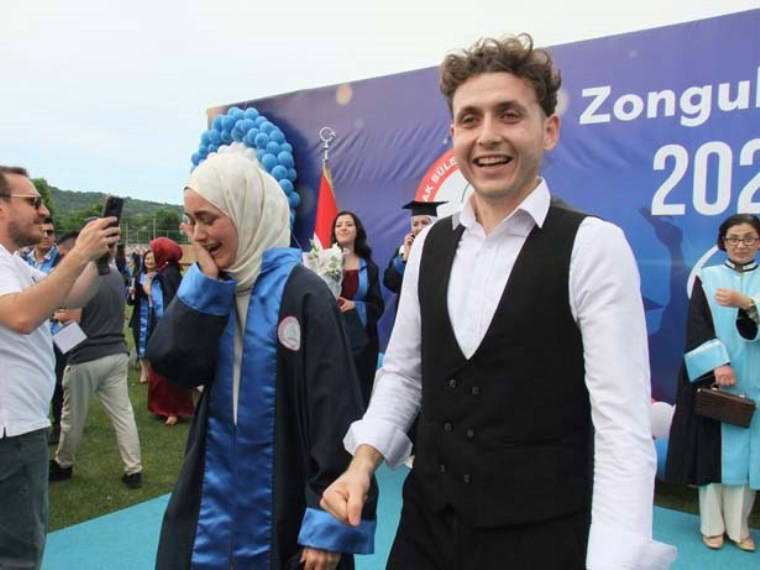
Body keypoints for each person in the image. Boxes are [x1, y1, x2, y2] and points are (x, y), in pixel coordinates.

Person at [321, 35, 677, 570]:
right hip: (425, 532)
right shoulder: (429, 246)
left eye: (509, 114)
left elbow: (621, 430)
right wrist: (362, 462)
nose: (487, 135)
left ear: (548, 129)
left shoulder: (593, 247)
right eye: (470, 119)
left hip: (541, 538)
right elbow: (404, 374)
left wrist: (614, 560)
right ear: (453, 136)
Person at [146, 152, 376, 570]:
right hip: (216, 485)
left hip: (285, 484)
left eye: (208, 219)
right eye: (190, 221)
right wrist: (203, 286)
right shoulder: (215, 287)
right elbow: (174, 365)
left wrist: (327, 521)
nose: (198, 234)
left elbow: (335, 410)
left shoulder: (302, 293)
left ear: (245, 211)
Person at [0, 165, 119, 569]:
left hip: (18, 426)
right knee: (18, 554)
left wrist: (97, 262)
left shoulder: (14, 265)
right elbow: (22, 316)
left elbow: (69, 295)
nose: (43, 210)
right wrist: (80, 253)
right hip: (11, 432)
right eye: (33, 201)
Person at [666, 213, 760, 552]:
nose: (741, 245)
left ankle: (740, 527)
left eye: (748, 238)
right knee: (713, 454)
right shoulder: (707, 278)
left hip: (757, 379)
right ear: (722, 242)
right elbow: (697, 326)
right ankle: (712, 526)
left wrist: (748, 304)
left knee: (751, 458)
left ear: (758, 242)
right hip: (719, 380)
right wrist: (718, 362)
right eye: (733, 238)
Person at [49, 241, 144, 489]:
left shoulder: (82, 277)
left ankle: (63, 464)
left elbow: (73, 321)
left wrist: (55, 314)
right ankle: (133, 470)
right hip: (116, 352)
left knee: (72, 418)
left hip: (85, 357)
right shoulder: (116, 274)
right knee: (123, 415)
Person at [331, 211, 384, 406]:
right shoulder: (323, 262)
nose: (343, 228)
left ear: (357, 231)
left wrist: (355, 306)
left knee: (360, 395)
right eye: (338, 225)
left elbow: (377, 306)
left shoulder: (369, 268)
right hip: (332, 337)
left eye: (348, 224)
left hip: (362, 341)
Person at [145, 237, 194, 426]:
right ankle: (172, 408)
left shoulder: (165, 276)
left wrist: (149, 291)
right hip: (177, 328)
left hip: (168, 329)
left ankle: (170, 410)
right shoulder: (174, 272)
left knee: (165, 371)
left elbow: (163, 306)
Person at [382, 200, 445, 296]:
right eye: (415, 224)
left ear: (434, 224)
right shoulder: (402, 251)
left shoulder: (445, 248)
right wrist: (405, 259)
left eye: (424, 223)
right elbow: (390, 284)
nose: (419, 227)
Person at [128, 250, 157, 384]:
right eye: (147, 259)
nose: (149, 261)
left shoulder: (161, 277)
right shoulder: (138, 276)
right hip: (140, 314)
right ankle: (144, 371)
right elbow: (131, 302)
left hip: (155, 314)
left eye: (152, 259)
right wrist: (131, 294)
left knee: (152, 342)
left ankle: (152, 370)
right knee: (140, 341)